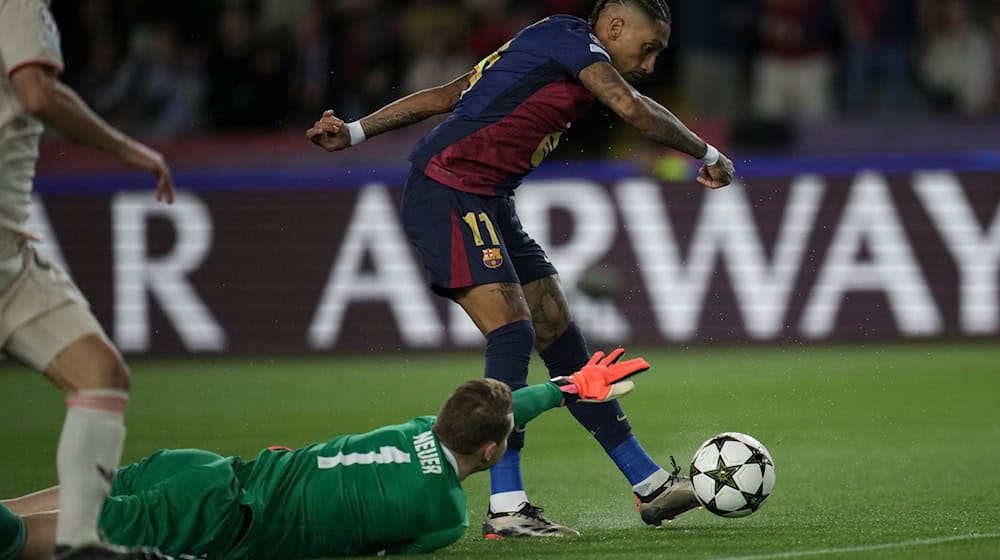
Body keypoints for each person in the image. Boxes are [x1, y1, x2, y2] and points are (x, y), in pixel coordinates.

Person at [307, 0, 735, 538]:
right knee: (512, 331)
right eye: (648, 48)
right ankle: (507, 507)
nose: (650, 64)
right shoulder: (571, 41)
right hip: (448, 188)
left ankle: (648, 484)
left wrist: (355, 130)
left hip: (490, 198)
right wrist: (709, 153)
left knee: (557, 327)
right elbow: (632, 108)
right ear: (616, 25)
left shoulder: (546, 45)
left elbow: (447, 94)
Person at [4, 349, 650, 559]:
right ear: (488, 451)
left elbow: (505, 410)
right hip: (220, 517)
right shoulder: (443, 516)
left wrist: (566, 388)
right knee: (19, 542)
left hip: (203, 468)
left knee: (19, 514)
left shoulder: (420, 429)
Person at [0, 0, 175, 558]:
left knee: (99, 373)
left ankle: (80, 544)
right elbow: (35, 93)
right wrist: (125, 148)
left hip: (8, 251)